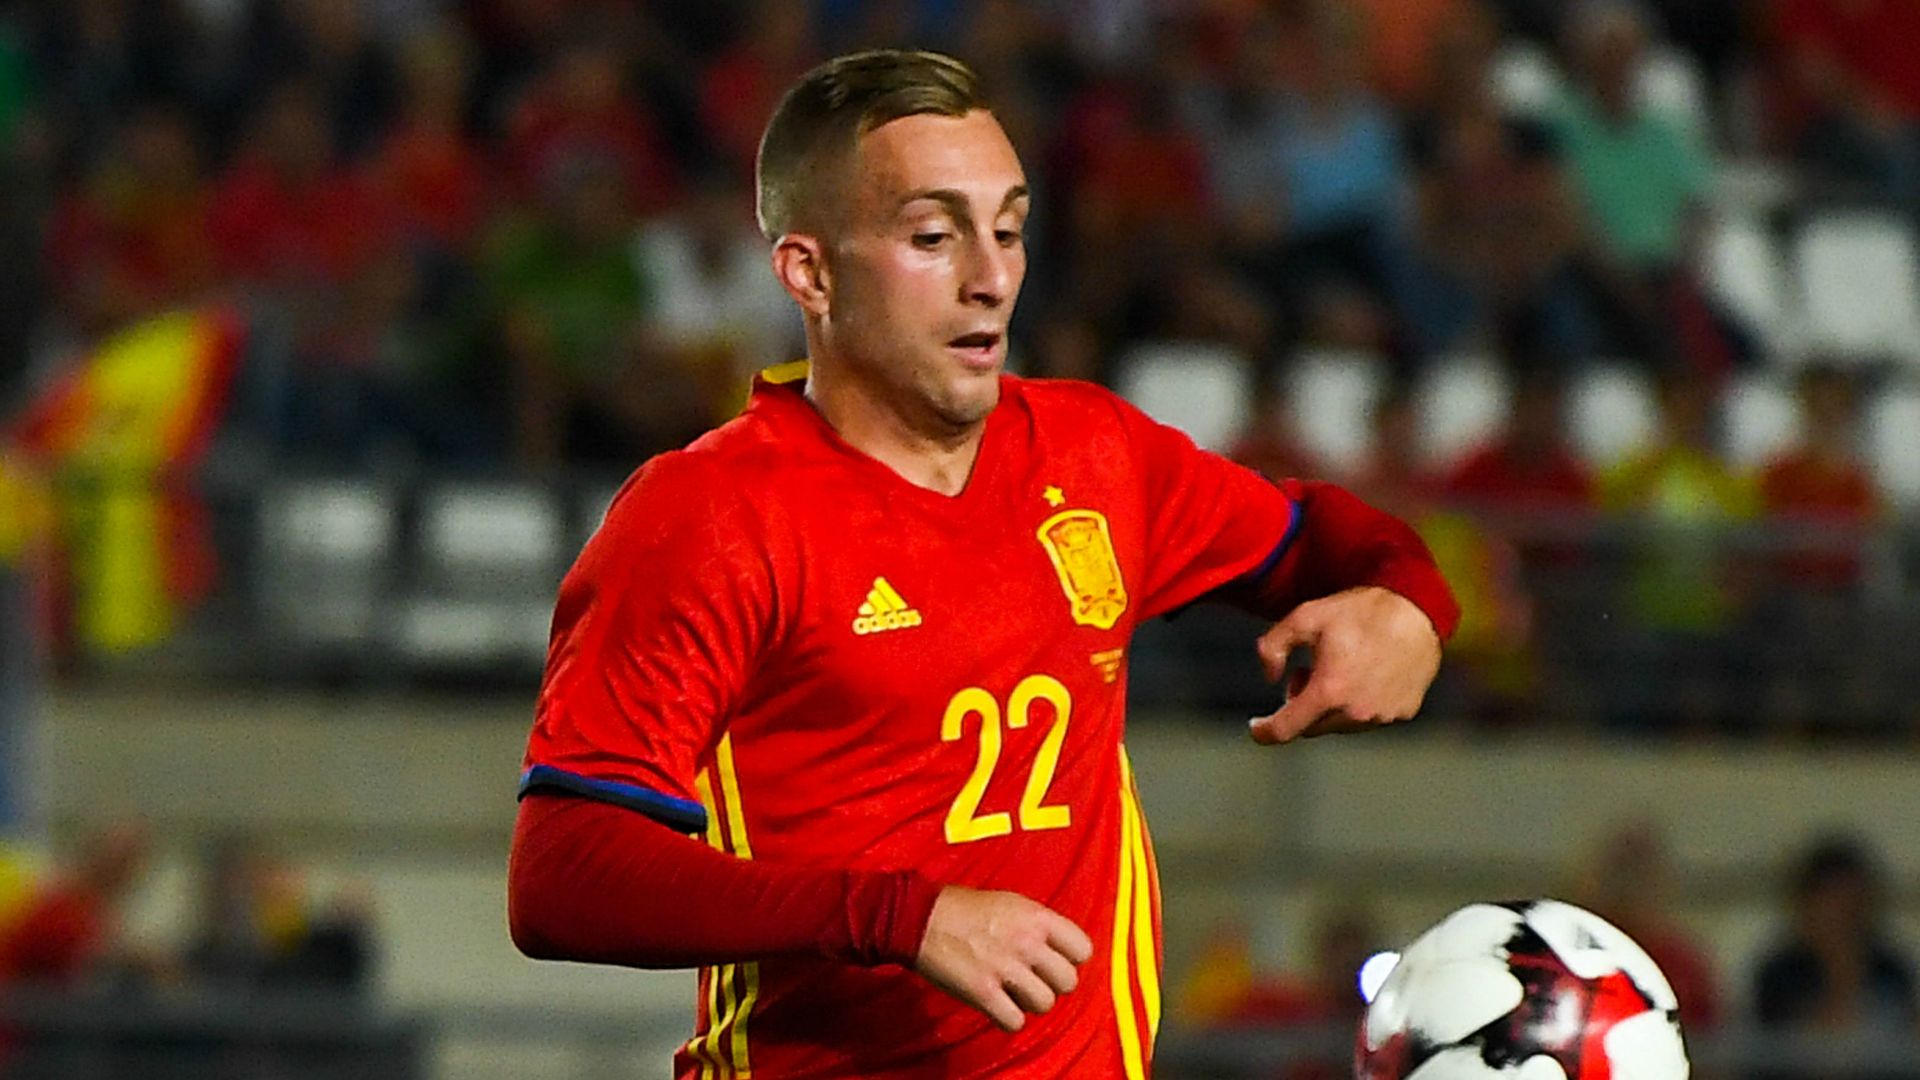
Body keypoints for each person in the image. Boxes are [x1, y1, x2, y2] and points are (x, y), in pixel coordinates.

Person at [508, 50, 1457, 1080]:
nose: (991, 275)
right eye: (933, 236)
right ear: (808, 273)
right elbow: (563, 875)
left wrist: (1411, 602)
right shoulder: (709, 517)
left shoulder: (1092, 454)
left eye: (1008, 230)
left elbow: (1323, 537)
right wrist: (895, 916)